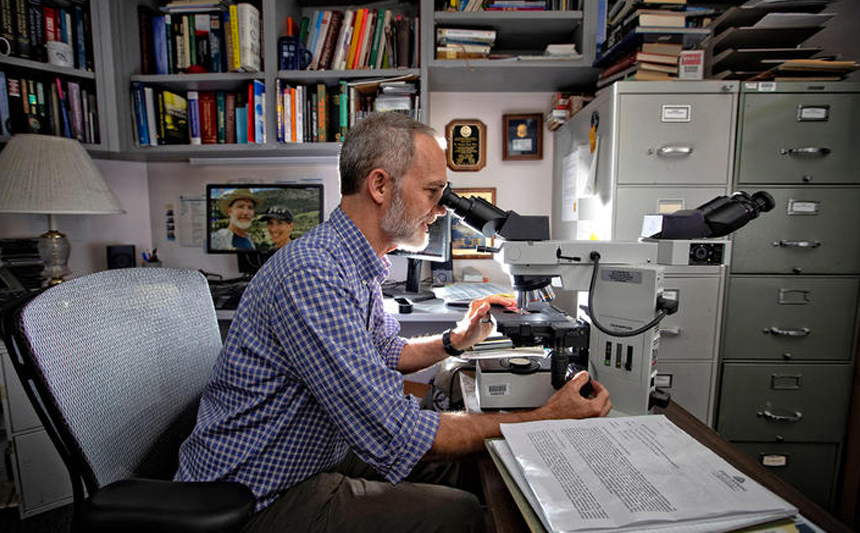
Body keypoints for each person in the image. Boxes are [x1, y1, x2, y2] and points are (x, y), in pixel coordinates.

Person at [175, 112, 612, 533]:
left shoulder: (351, 263)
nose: (442, 210)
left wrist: (456, 339)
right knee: (460, 513)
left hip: (308, 453)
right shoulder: (312, 274)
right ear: (380, 185)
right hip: (255, 493)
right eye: (433, 191)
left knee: (465, 471)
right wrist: (547, 418)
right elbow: (398, 433)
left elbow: (386, 352)